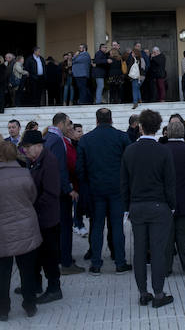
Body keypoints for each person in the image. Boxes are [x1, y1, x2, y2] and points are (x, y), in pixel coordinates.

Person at [0, 141, 42, 321]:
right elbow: (32, 196)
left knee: (3, 273)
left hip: (1, 231)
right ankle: (30, 305)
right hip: (26, 227)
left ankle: (3, 309)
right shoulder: (25, 173)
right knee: (27, 270)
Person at [120, 109, 176, 308]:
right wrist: (172, 206)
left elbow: (124, 183)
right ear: (159, 128)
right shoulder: (163, 151)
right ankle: (159, 293)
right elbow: (170, 183)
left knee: (139, 251)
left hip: (136, 206)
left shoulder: (129, 150)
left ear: (141, 127)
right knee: (158, 251)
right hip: (159, 205)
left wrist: (127, 208)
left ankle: (143, 293)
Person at [76, 109, 131, 275]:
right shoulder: (122, 137)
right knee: (117, 227)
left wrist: (85, 187)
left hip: (95, 189)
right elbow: (129, 163)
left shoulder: (86, 139)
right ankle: (120, 263)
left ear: (97, 120)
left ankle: (96, 264)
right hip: (116, 189)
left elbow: (80, 169)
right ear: (111, 119)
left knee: (97, 227)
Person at [20, 129, 63, 303]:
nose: (25, 151)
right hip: (38, 217)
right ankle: (35, 284)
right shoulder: (35, 161)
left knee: (49, 254)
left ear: (38, 146)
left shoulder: (49, 161)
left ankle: (54, 288)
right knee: (37, 254)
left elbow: (51, 192)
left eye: (28, 148)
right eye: (24, 148)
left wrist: (32, 207)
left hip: (47, 219)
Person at [44, 114, 81, 276]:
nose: (70, 127)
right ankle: (66, 262)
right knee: (65, 227)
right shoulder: (57, 140)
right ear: (60, 124)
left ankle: (61, 257)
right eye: (68, 124)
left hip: (51, 190)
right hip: (60, 191)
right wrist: (68, 189)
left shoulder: (48, 137)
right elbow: (60, 168)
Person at [162, 119, 185, 277]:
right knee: (183, 235)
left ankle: (167, 268)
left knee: (167, 236)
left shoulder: (162, 149)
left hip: (166, 198)